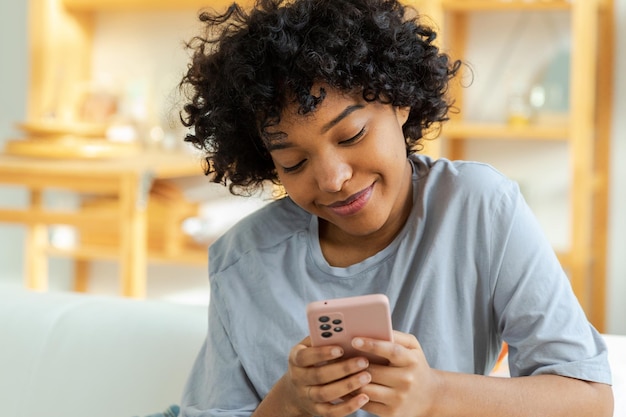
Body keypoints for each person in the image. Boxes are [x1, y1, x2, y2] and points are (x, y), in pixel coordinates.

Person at [177, 0, 613, 416]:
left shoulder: (479, 208)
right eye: (294, 162)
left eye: (350, 136)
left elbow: (590, 399)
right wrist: (291, 401)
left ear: (399, 102)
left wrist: (436, 395)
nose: (332, 179)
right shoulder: (242, 260)